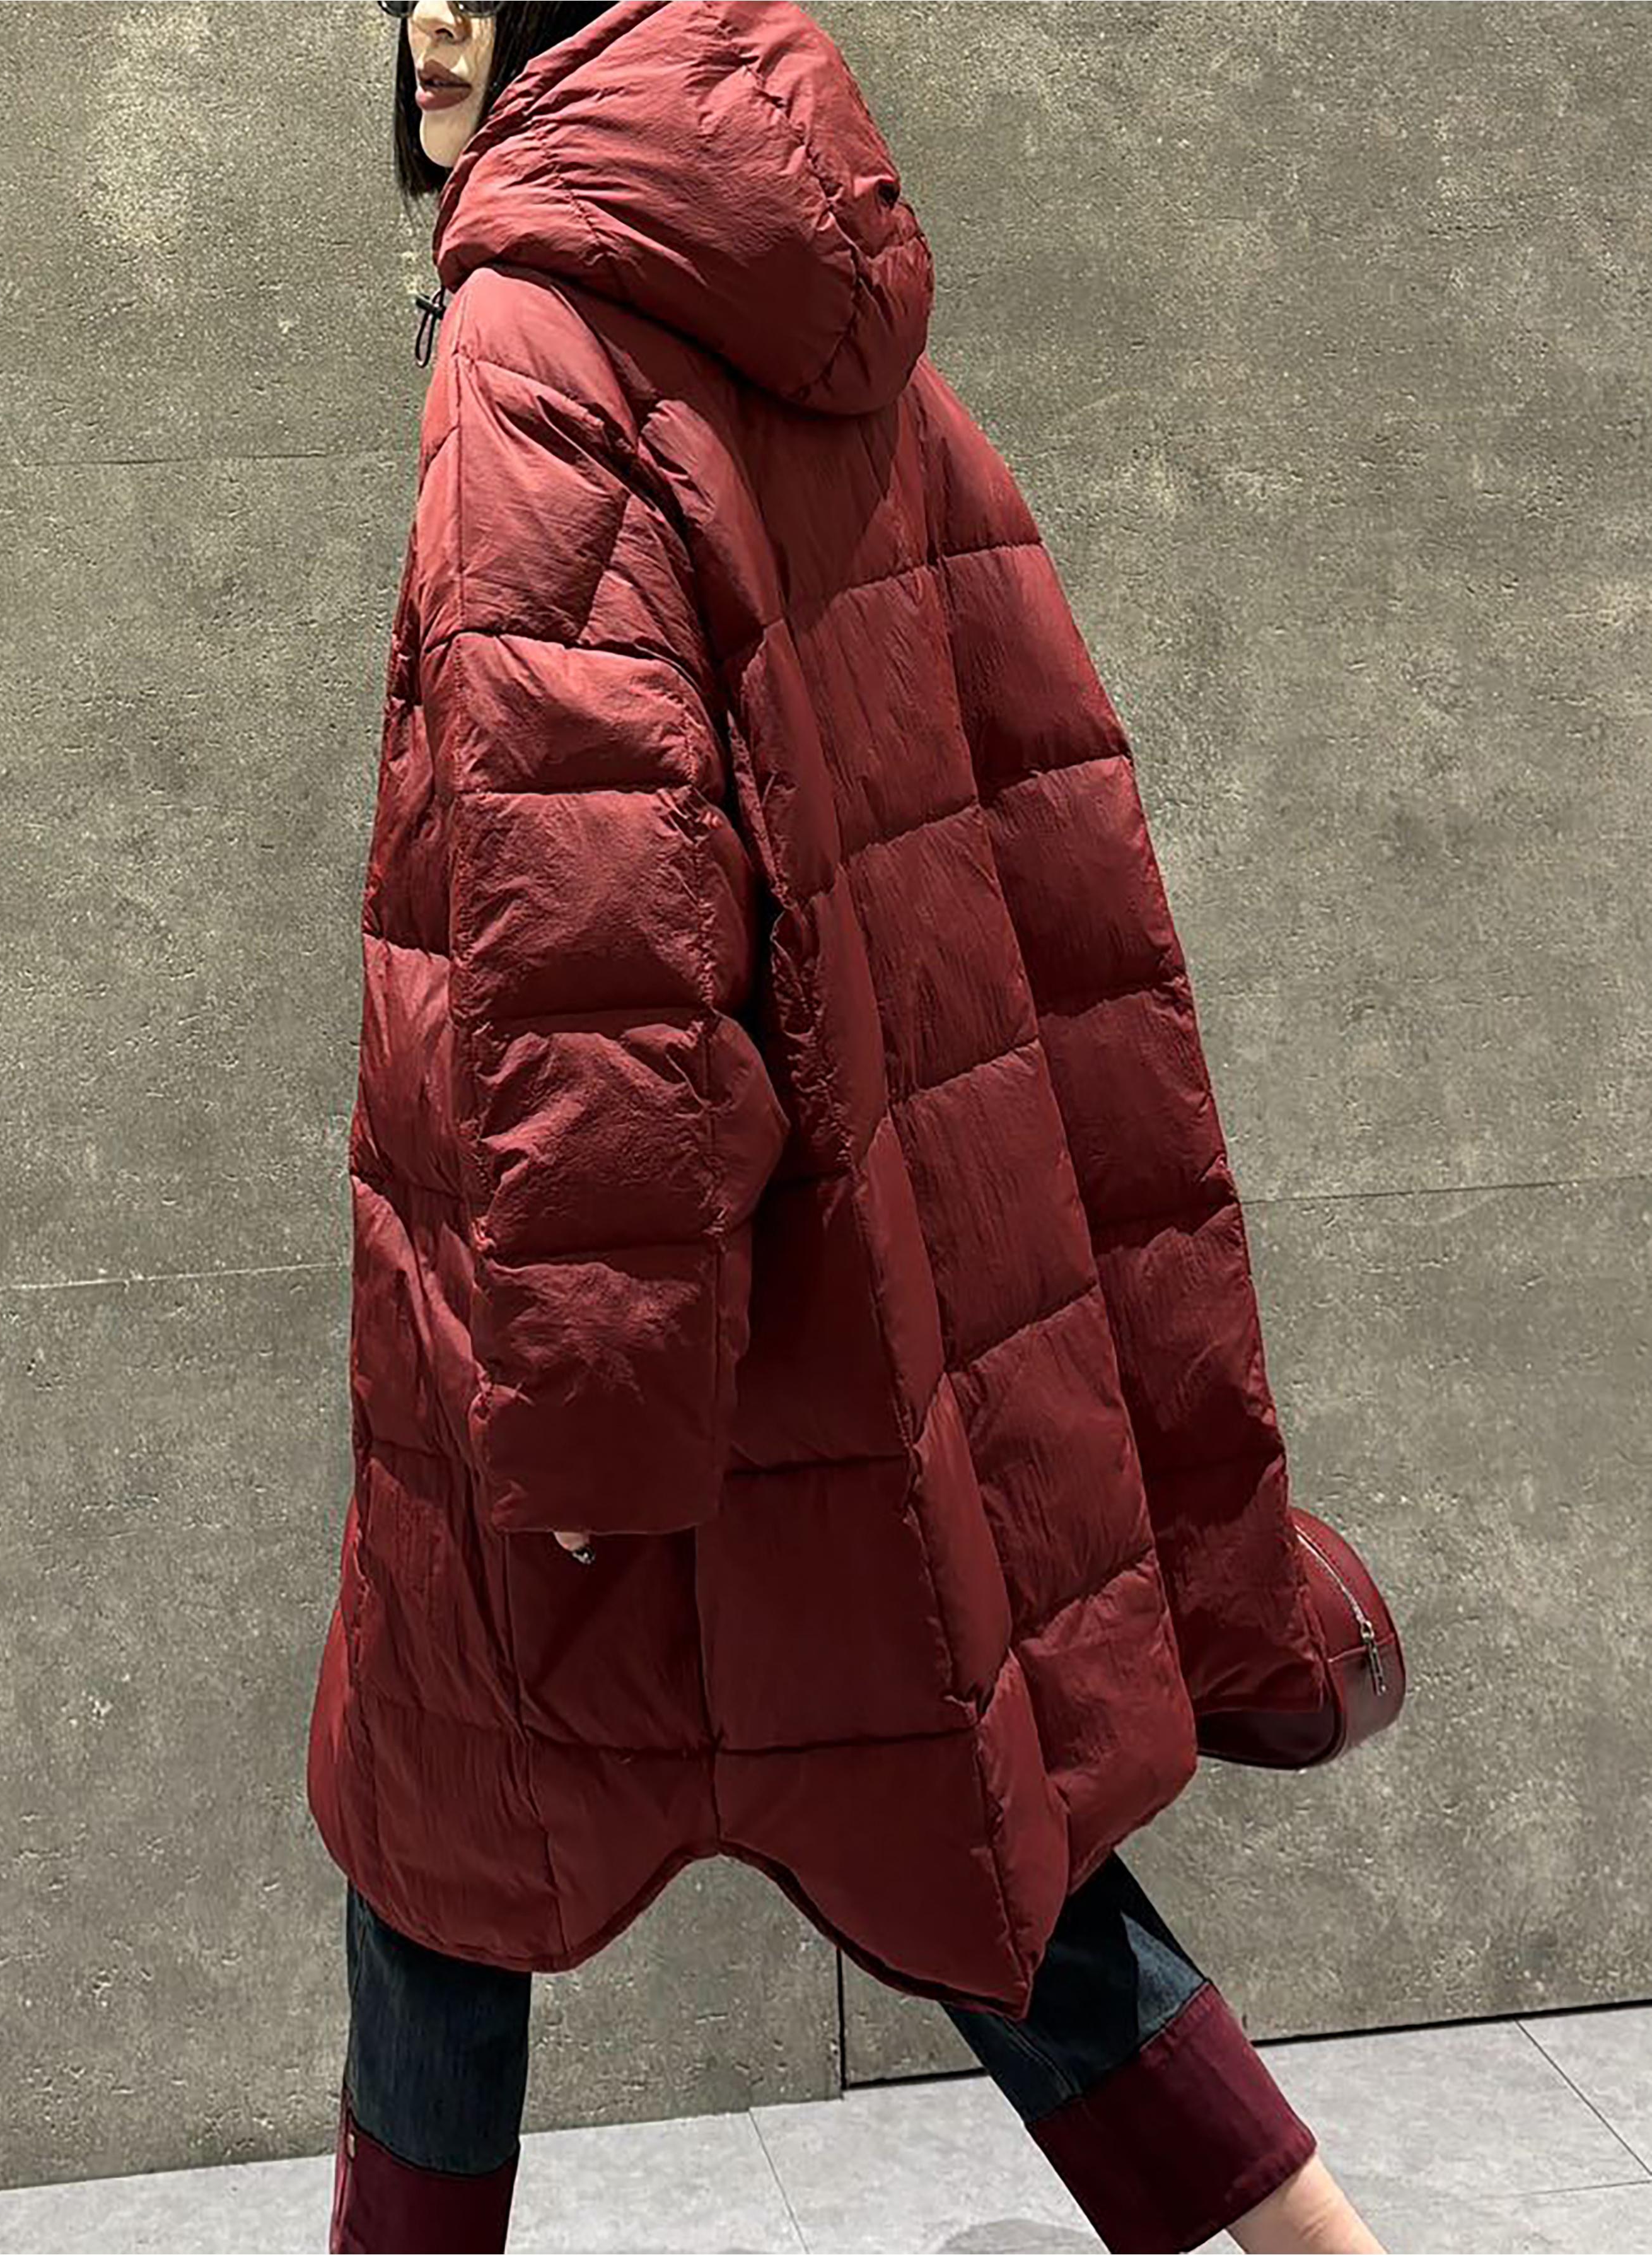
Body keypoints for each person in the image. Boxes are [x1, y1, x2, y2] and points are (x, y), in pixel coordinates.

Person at [304, 5, 1388, 2251]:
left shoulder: (532, 335)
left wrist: (584, 1418)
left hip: (625, 1309)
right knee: (969, 1821)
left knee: (441, 1838)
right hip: (853, 1275)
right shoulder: (811, 287)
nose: (427, 16)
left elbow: (591, 937)